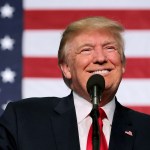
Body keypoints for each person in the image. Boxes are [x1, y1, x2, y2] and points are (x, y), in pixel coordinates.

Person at [0, 16, 150, 150]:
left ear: (122, 64)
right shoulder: (23, 119)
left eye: (110, 48)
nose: (100, 58)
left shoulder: (146, 130)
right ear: (66, 68)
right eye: (86, 50)